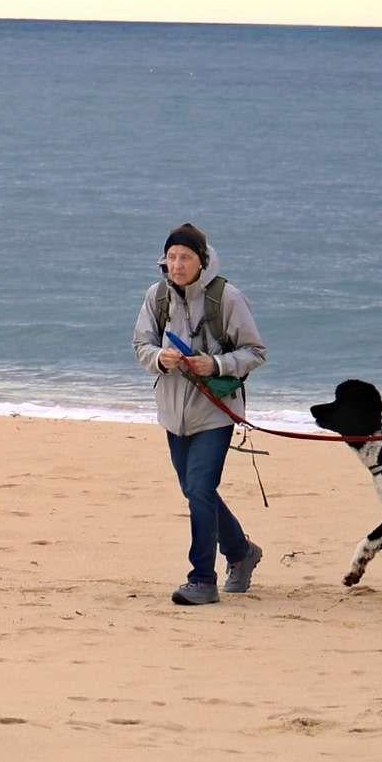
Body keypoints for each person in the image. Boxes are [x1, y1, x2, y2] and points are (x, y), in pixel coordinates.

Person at [132, 221, 266, 605]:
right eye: (172, 257)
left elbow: (256, 352)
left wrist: (215, 365)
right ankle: (242, 553)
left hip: (215, 413)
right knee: (195, 491)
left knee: (201, 489)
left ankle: (202, 579)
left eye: (185, 257)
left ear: (202, 261)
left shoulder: (227, 298)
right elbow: (140, 344)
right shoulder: (156, 297)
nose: (177, 264)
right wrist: (160, 357)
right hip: (173, 414)